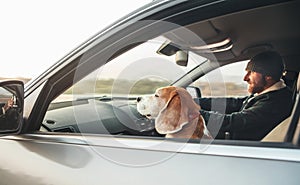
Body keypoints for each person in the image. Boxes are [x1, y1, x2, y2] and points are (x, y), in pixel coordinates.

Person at [199, 51, 293, 140]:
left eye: (251, 72)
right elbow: (235, 103)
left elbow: (233, 122)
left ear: (268, 76)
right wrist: (197, 101)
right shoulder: (268, 94)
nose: (245, 78)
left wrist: (194, 113)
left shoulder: (276, 102)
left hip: (243, 150)